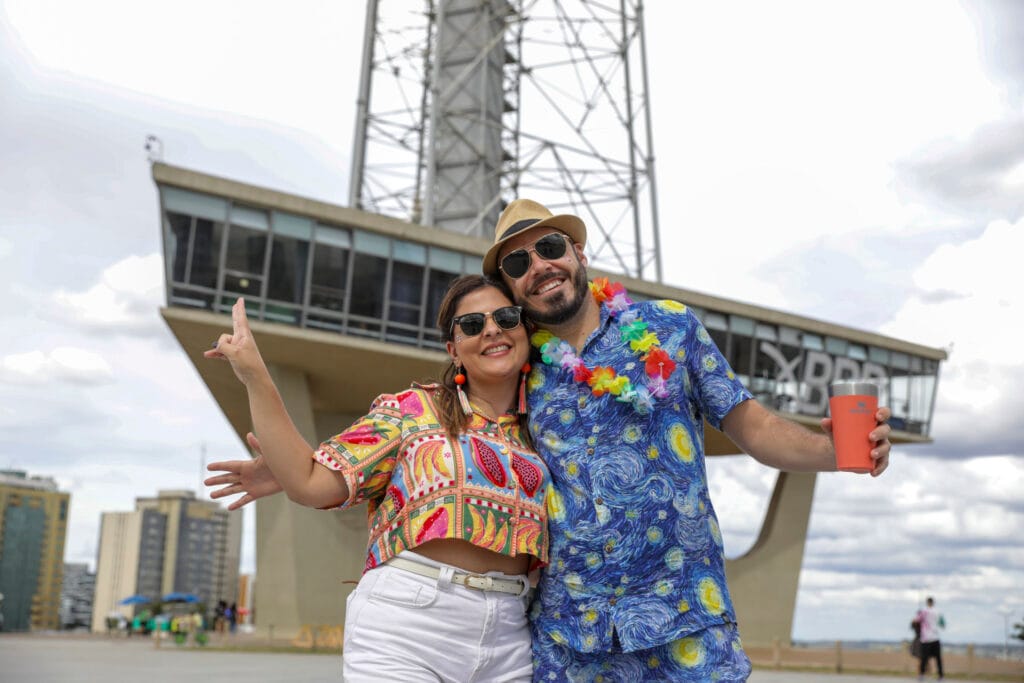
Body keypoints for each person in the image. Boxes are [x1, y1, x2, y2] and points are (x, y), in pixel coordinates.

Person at [481, 198, 894, 681]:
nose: (539, 267)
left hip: (686, 622)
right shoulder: (516, 367)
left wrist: (833, 451)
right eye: (517, 262)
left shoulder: (671, 327)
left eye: (549, 247)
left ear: (577, 253)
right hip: (571, 639)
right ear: (509, 287)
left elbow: (753, 427)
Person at [203, 275, 551, 682]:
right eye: (472, 324)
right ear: (453, 350)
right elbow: (310, 484)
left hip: (510, 637)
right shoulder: (411, 409)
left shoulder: (546, 429)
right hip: (409, 623)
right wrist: (254, 374)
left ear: (525, 331)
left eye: (506, 317)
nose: (491, 329)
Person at [912, 597, 945, 680]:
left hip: (926, 638)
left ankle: (921, 675)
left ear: (927, 603)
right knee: (938, 659)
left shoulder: (924, 611)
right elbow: (943, 624)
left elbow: (916, 621)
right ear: (933, 603)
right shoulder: (938, 612)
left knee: (924, 658)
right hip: (935, 637)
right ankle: (941, 676)